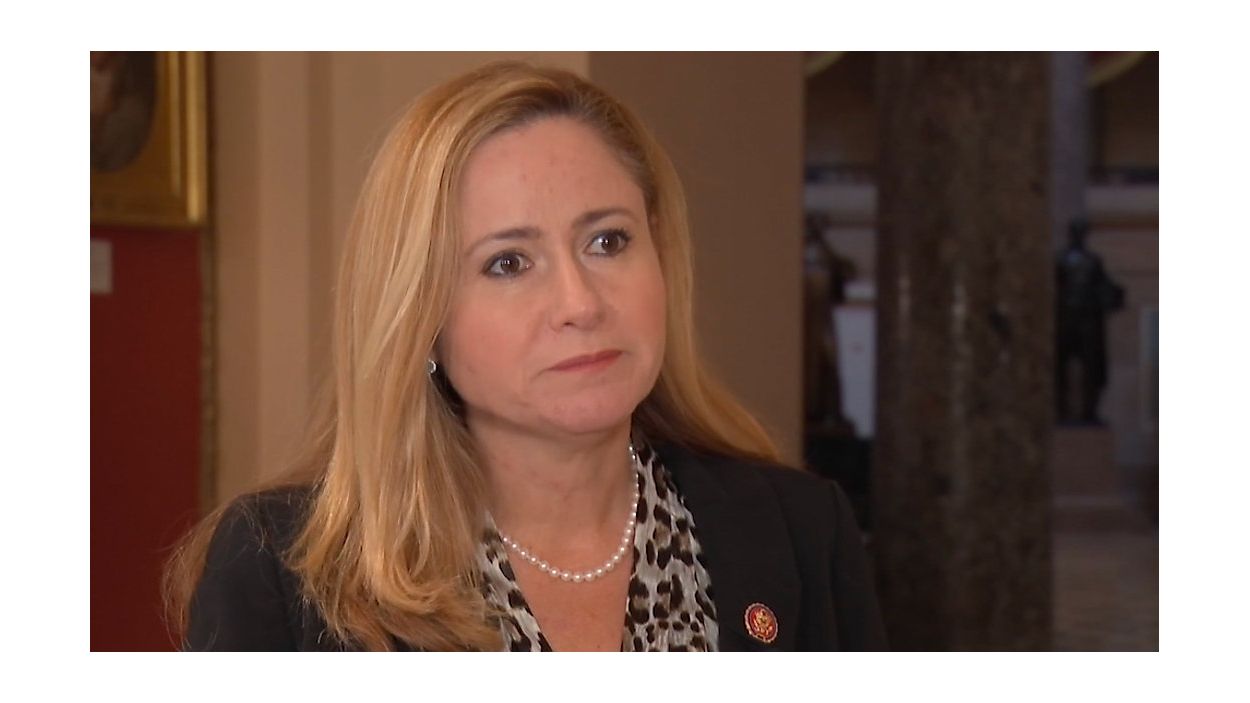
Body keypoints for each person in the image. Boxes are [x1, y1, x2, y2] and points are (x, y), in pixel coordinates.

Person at [163, 61, 887, 652]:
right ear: (420, 316)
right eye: (508, 262)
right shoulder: (279, 571)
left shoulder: (800, 533)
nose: (580, 302)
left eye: (608, 241)